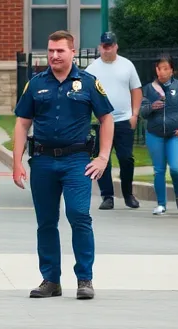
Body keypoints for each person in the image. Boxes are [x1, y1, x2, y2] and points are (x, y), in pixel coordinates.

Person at [11, 30, 114, 300]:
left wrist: (103, 157)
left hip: (76, 160)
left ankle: (84, 278)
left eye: (60, 51)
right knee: (46, 221)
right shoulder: (35, 84)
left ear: (72, 52)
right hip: (43, 160)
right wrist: (17, 161)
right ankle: (50, 280)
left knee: (79, 215)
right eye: (51, 51)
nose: (54, 56)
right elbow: (22, 123)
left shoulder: (89, 83)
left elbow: (106, 119)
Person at [85, 31, 142, 210]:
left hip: (123, 119)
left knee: (126, 158)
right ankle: (107, 195)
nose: (107, 49)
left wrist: (134, 114)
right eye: (104, 46)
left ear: (116, 46)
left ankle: (128, 194)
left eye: (110, 46)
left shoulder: (127, 65)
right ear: (99, 47)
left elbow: (136, 90)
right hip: (101, 121)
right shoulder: (92, 69)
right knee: (104, 159)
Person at [139, 55, 178, 215]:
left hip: (175, 134)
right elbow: (142, 112)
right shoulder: (149, 88)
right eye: (158, 68)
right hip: (154, 134)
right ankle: (161, 204)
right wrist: (151, 107)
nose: (161, 72)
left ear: (172, 70)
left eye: (165, 68)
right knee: (159, 170)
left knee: (176, 168)